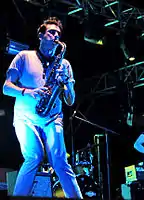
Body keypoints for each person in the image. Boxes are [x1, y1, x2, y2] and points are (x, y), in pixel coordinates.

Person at [2, 16, 83, 198]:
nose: (56, 36)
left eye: (58, 34)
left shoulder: (64, 64)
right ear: (40, 35)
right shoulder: (24, 56)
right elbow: (6, 87)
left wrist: (66, 83)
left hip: (53, 117)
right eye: (51, 32)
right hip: (25, 117)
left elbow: (70, 101)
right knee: (33, 157)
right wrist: (28, 92)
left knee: (61, 162)